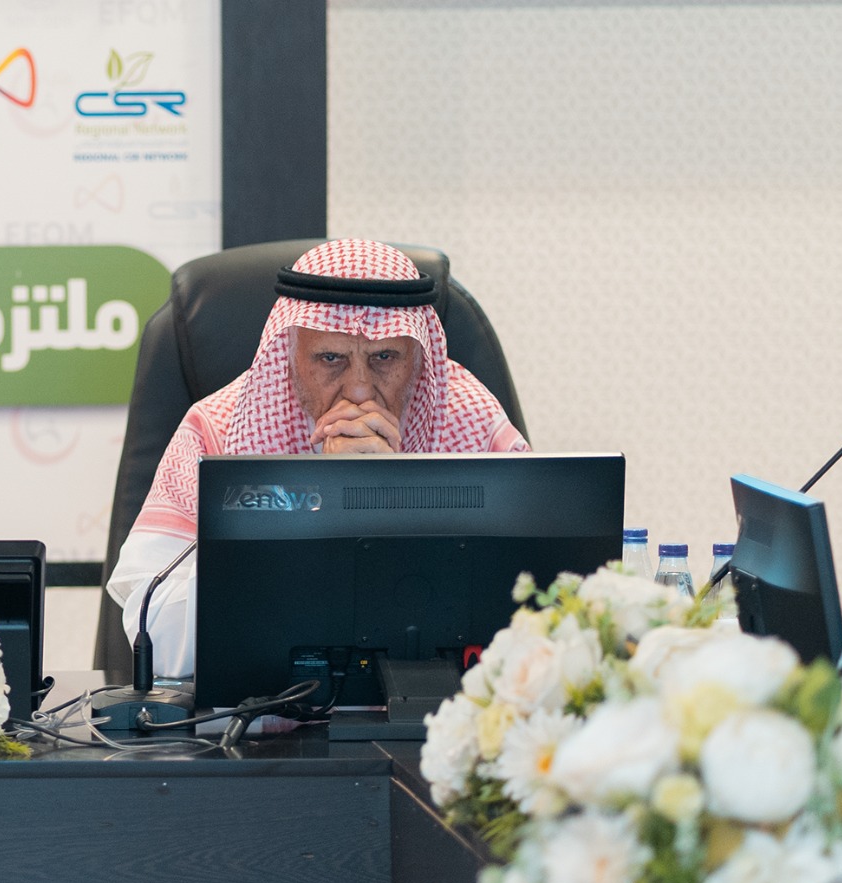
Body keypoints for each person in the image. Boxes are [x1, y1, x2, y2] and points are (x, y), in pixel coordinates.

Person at [106, 238, 528, 676]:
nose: (360, 388)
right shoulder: (216, 429)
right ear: (291, 354)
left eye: (385, 357)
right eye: (331, 358)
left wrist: (393, 500)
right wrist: (316, 512)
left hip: (436, 710)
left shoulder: (472, 420)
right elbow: (153, 634)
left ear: (418, 357)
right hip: (265, 710)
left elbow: (540, 613)